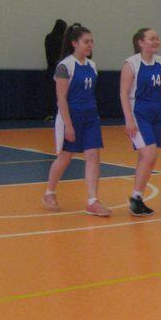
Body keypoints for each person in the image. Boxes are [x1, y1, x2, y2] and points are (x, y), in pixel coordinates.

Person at [42, 24, 110, 216]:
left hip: (90, 117)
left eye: (91, 41)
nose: (90, 45)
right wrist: (68, 125)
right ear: (74, 43)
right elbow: (61, 98)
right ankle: (49, 192)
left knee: (93, 155)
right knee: (65, 157)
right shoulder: (65, 66)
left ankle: (92, 201)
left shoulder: (92, 66)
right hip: (70, 117)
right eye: (86, 41)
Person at [119, 28, 161, 216]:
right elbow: (123, 93)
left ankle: (137, 198)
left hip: (157, 112)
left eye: (157, 38)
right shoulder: (131, 64)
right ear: (140, 42)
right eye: (152, 38)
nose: (156, 41)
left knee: (145, 157)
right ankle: (135, 198)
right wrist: (128, 119)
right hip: (139, 112)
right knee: (149, 155)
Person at [44, 19, 67, 119]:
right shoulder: (62, 40)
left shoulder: (48, 37)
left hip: (51, 68)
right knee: (61, 92)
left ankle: (50, 113)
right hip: (60, 69)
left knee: (50, 92)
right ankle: (61, 112)